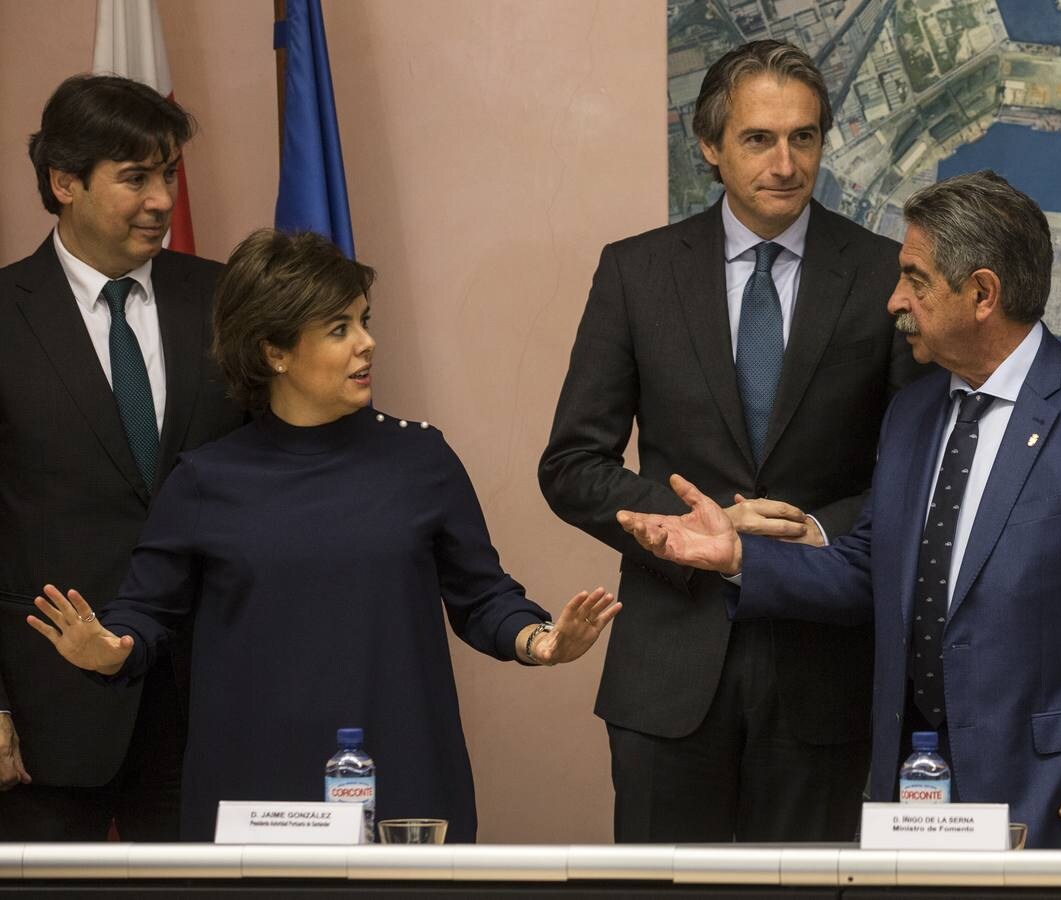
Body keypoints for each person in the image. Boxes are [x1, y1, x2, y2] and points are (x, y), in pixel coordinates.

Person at [616, 170, 1061, 849]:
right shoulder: (912, 413)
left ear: (982, 293)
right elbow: (872, 566)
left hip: (1059, 789)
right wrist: (738, 558)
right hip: (918, 785)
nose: (894, 299)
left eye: (915, 279)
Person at [27, 228, 619, 842]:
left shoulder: (421, 459)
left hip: (403, 771)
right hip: (254, 789)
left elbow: (483, 596)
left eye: (364, 321)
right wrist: (110, 647)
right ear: (274, 352)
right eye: (339, 329)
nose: (367, 344)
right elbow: (144, 611)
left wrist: (539, 639)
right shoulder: (205, 478)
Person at [539, 40, 927, 842]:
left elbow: (916, 470)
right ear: (710, 146)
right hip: (668, 673)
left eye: (804, 137)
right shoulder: (635, 273)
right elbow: (572, 466)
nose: (785, 163)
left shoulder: (884, 273)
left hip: (822, 671)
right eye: (757, 139)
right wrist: (701, 528)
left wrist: (817, 533)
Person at [0, 74, 245, 841]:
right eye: (135, 177)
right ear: (64, 182)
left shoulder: (226, 301)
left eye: (168, 173)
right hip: (45, 712)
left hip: (208, 700)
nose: (162, 199)